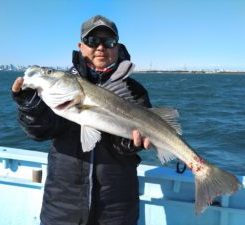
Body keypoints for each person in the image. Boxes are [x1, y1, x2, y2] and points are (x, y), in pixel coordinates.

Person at [12, 15, 152, 225]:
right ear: (80, 46)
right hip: (62, 206)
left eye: (109, 42)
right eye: (93, 41)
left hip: (117, 208)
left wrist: (129, 145)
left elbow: (135, 142)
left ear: (117, 46)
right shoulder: (61, 87)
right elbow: (39, 131)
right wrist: (30, 106)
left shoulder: (134, 91)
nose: (100, 48)